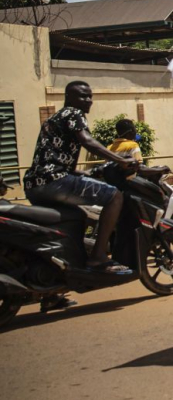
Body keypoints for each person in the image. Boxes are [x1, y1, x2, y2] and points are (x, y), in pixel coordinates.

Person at [23, 81, 134, 274]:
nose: (88, 100)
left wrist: (87, 172)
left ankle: (57, 282)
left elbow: (53, 157)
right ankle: (99, 256)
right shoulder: (73, 113)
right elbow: (87, 141)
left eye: (90, 96)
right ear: (68, 98)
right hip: (54, 181)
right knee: (114, 196)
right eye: (83, 96)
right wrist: (119, 160)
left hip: (35, 184)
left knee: (76, 217)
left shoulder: (54, 118)